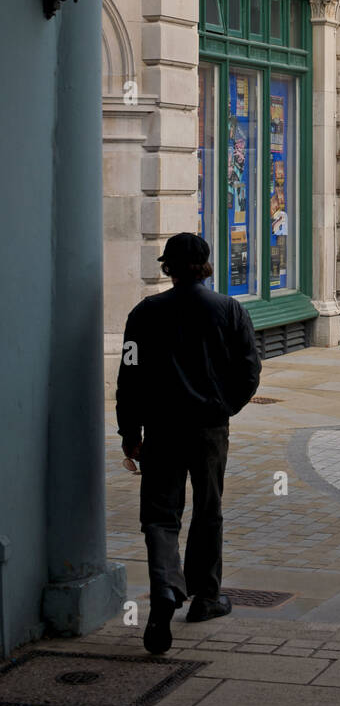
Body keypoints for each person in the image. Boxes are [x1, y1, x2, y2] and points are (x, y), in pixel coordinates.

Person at [117, 233, 261, 654]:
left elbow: (129, 377)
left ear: (168, 268)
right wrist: (222, 407)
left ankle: (165, 589)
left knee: (160, 517)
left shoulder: (143, 314)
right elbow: (250, 371)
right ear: (206, 265)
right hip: (208, 428)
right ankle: (206, 597)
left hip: (161, 429)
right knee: (208, 509)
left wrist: (130, 433)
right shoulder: (229, 310)